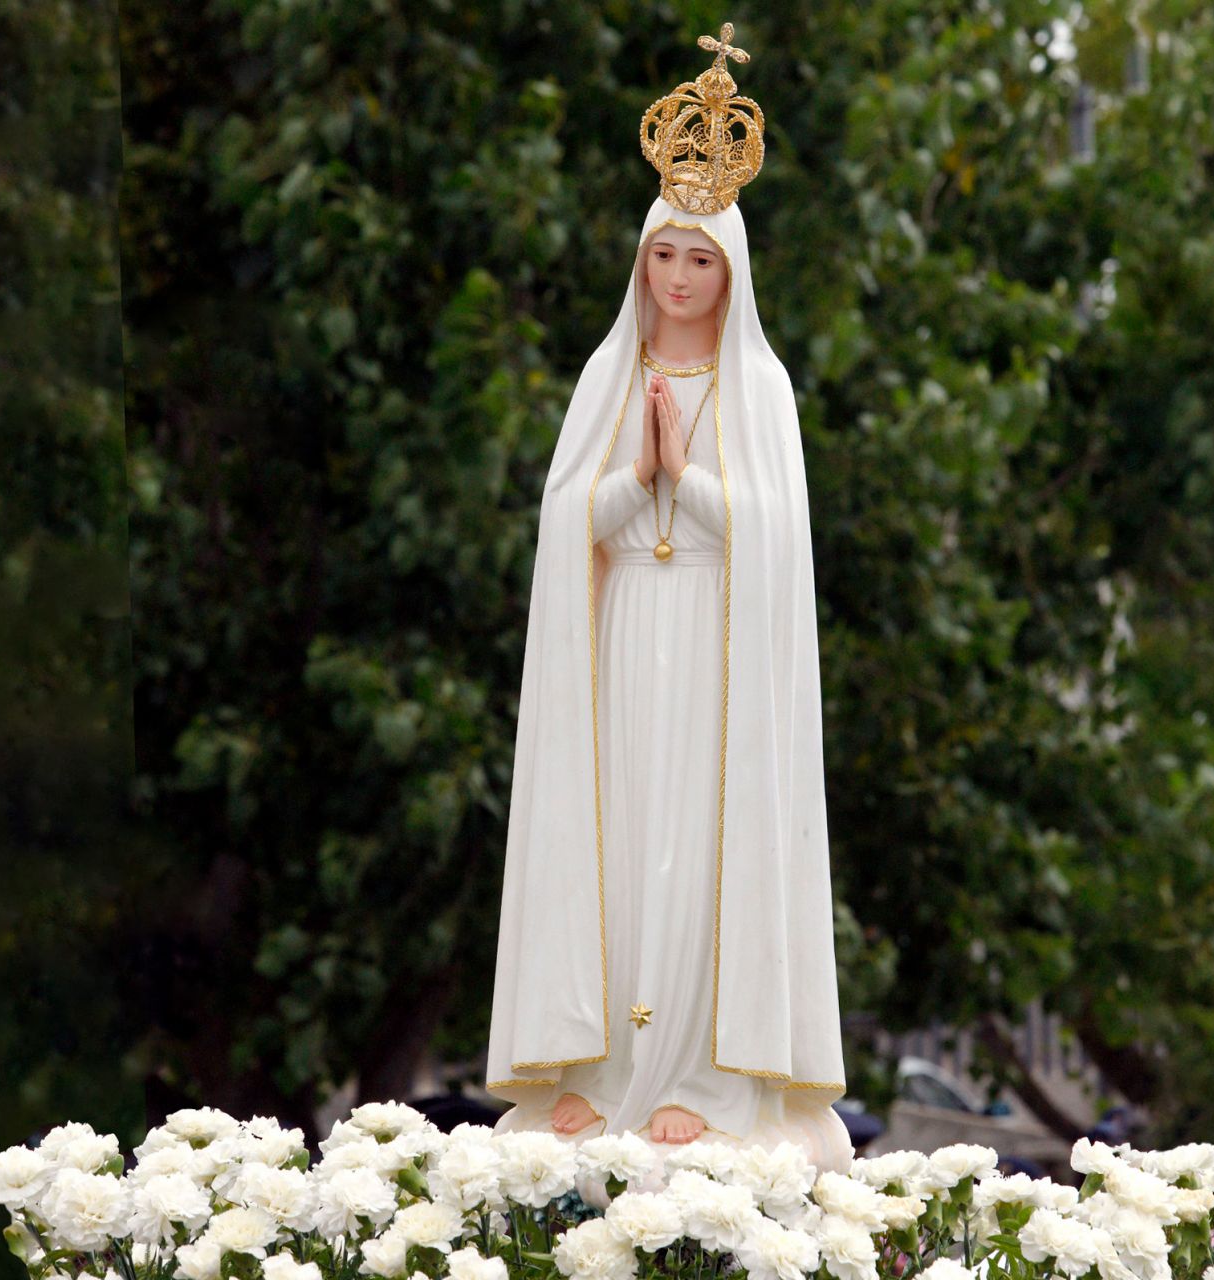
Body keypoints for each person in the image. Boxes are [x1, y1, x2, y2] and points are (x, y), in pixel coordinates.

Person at [482, 25, 851, 1172]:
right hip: (617, 639)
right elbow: (563, 520)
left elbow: (775, 540)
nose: (679, 279)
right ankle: (592, 1074)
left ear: (730, 275)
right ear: (640, 263)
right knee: (614, 834)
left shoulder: (763, 387)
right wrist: (628, 480)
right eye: (663, 257)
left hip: (714, 645)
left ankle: (698, 1073)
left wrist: (681, 482)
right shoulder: (608, 377)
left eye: (700, 260)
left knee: (699, 841)